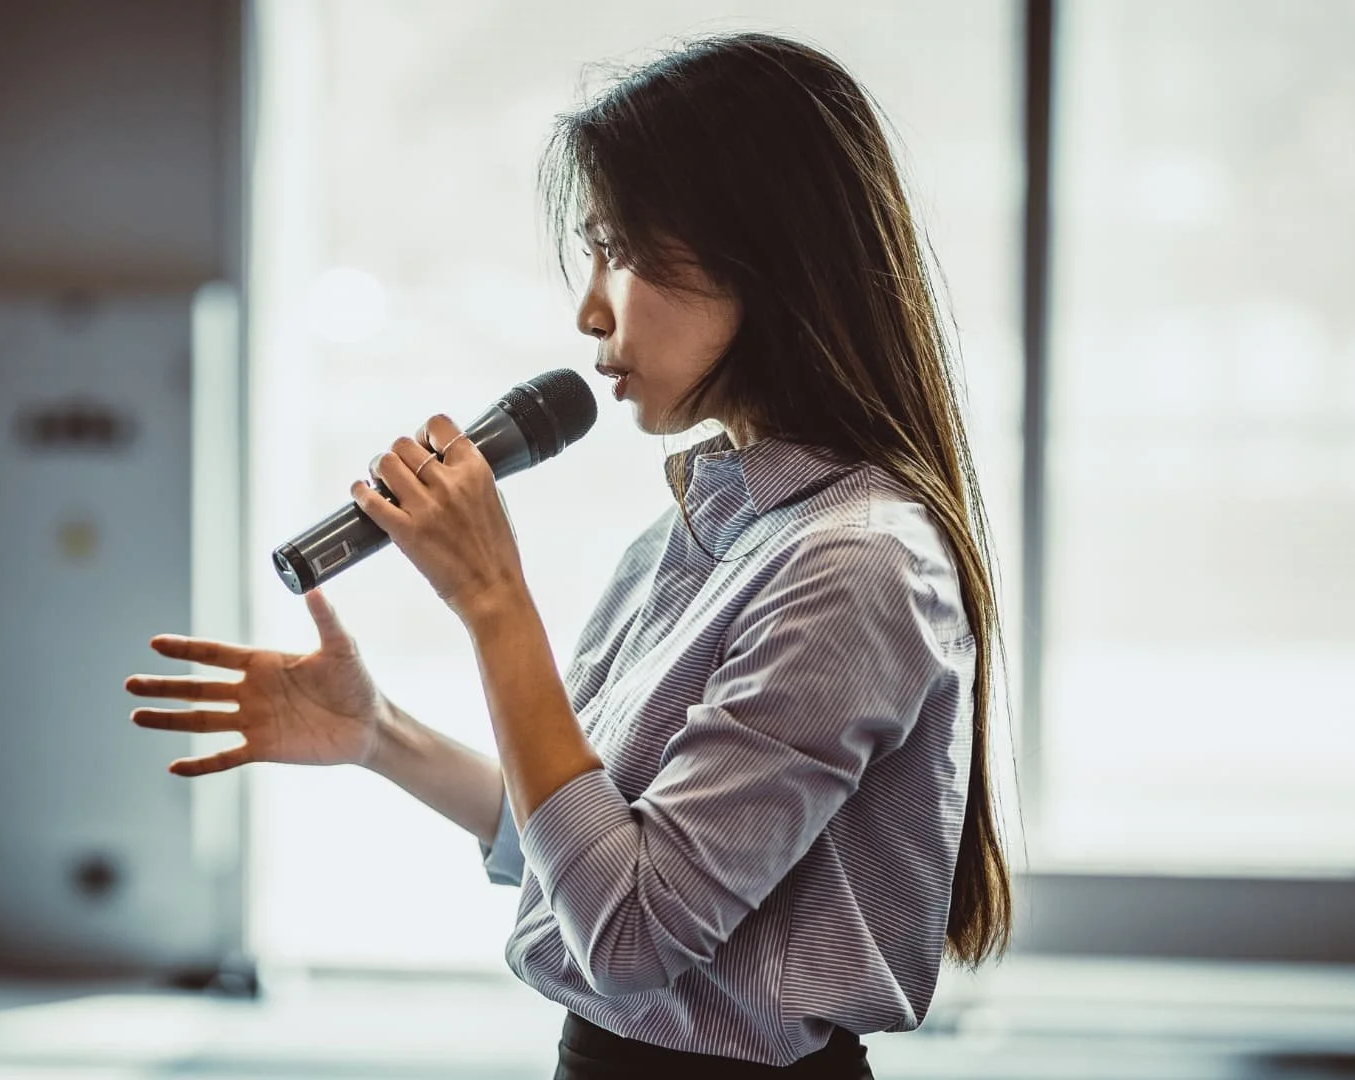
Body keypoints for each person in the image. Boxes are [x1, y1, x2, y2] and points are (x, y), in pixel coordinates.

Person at [125, 32, 1012, 1079]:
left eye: (621, 251)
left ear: (762, 257)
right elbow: (586, 852)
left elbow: (632, 936)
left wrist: (494, 602)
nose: (590, 307)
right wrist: (381, 736)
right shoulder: (708, 524)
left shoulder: (854, 564)